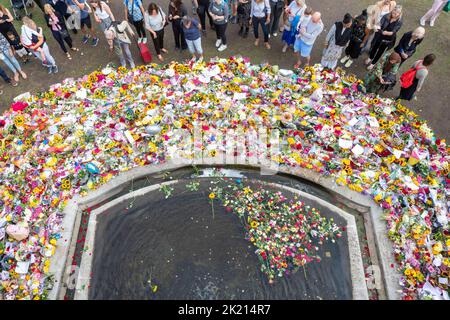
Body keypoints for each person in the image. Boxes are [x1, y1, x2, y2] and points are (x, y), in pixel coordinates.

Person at [365, 4, 402, 70]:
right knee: (375, 47)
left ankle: (373, 63)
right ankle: (370, 58)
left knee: (380, 51)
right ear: (392, 11)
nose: (394, 14)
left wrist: (387, 33)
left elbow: (394, 32)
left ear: (399, 13)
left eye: (397, 13)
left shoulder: (399, 22)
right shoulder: (386, 16)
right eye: (393, 12)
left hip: (387, 39)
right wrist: (377, 27)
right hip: (380, 34)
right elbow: (380, 23)